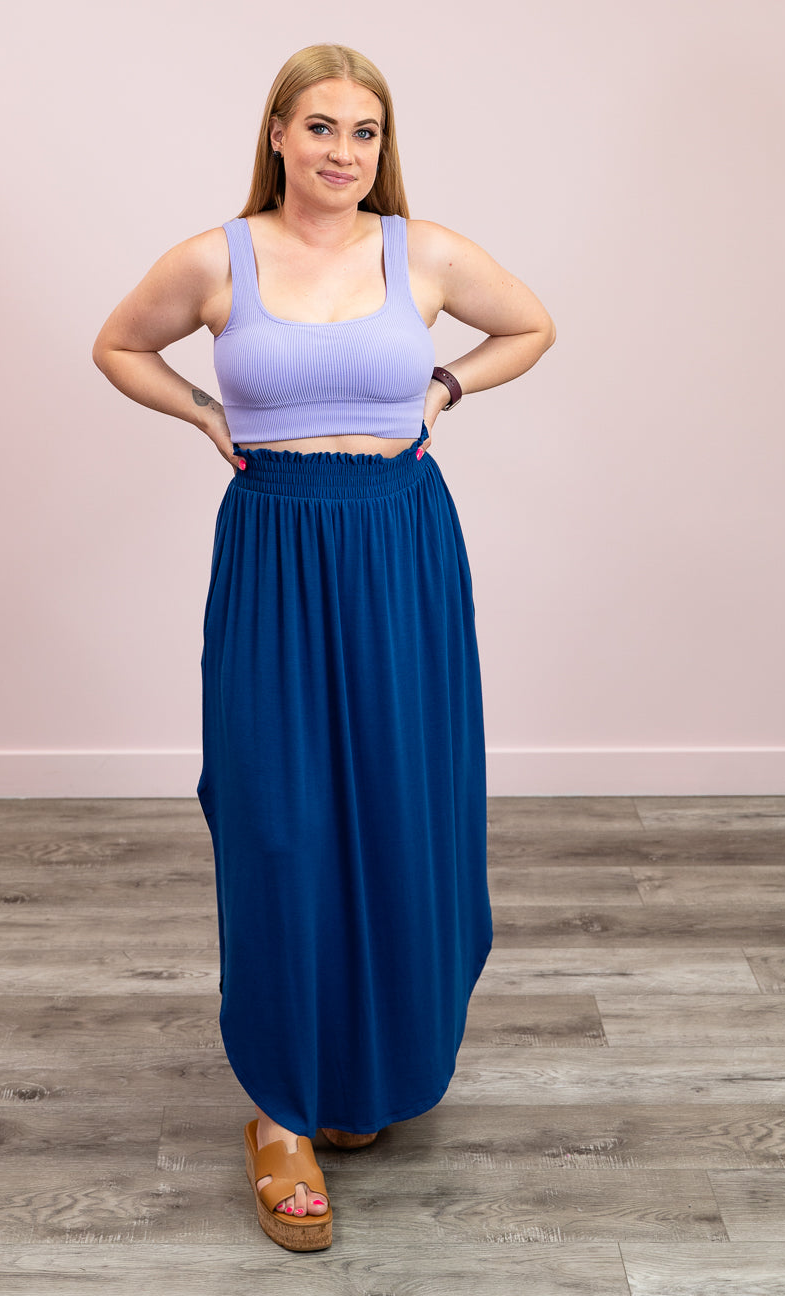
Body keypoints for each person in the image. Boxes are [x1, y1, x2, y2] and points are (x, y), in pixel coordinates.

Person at [93, 43, 555, 1252]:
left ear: (380, 146)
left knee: (401, 807)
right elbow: (119, 345)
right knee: (279, 820)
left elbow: (533, 326)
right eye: (321, 128)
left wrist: (443, 389)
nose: (343, 152)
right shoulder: (217, 258)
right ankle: (282, 1110)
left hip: (400, 545)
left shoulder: (423, 251)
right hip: (277, 546)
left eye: (364, 132)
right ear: (279, 135)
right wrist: (206, 414)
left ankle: (363, 1067)